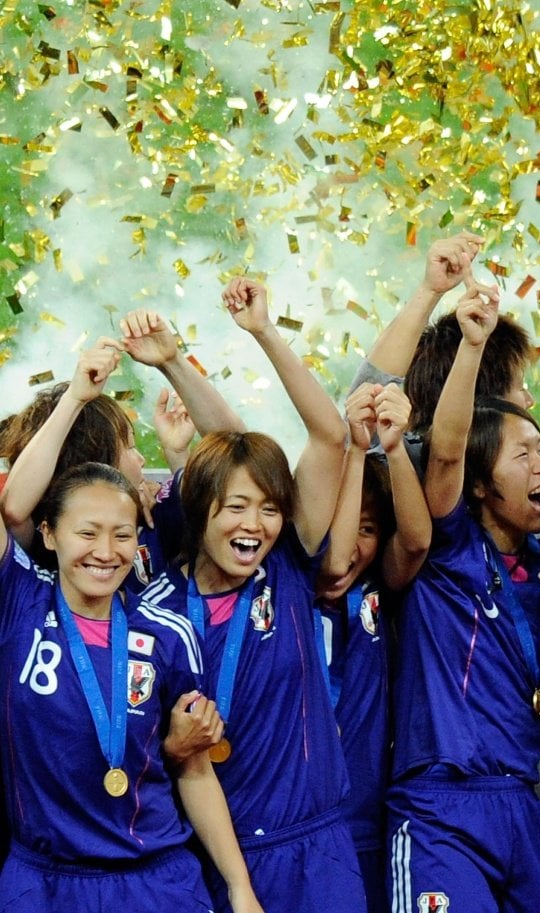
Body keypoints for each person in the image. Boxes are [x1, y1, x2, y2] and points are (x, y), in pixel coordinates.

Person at [137, 278, 362, 911]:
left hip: (315, 849)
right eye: (237, 508)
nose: (254, 525)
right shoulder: (154, 612)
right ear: (201, 510)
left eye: (268, 509)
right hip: (206, 858)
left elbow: (329, 437)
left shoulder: (285, 569)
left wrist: (261, 332)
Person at [386, 282, 540, 913]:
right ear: (482, 484)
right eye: (527, 454)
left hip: (524, 798)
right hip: (440, 805)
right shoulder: (448, 543)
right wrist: (473, 344)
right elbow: (451, 448)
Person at [0, 457, 262, 912]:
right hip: (45, 883)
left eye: (122, 534)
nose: (106, 551)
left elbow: (195, 770)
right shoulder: (18, 602)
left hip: (155, 881)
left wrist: (240, 888)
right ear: (48, 534)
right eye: (87, 532)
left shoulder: (168, 634)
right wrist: (77, 396)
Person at [0, 308, 244, 592]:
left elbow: (241, 453)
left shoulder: (155, 519)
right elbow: (14, 509)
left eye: (122, 536)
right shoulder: (43, 537)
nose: (140, 458)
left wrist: (172, 361)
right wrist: (75, 399)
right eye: (128, 447)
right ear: (95, 462)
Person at [317, 380, 430, 913]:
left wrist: (390, 448)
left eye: (367, 528)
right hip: (292, 826)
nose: (352, 544)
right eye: (343, 525)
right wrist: (352, 453)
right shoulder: (286, 592)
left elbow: (415, 541)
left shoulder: (378, 594)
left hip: (367, 828)